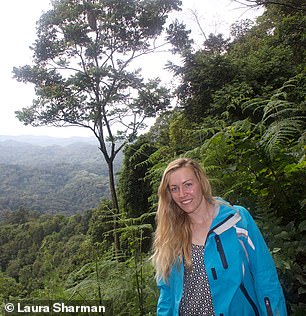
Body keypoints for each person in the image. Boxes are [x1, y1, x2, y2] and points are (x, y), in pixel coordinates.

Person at [151, 158, 287, 316]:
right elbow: (167, 294)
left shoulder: (237, 221)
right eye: (174, 189)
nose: (182, 194)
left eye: (188, 184)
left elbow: (265, 277)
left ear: (201, 182)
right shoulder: (171, 234)